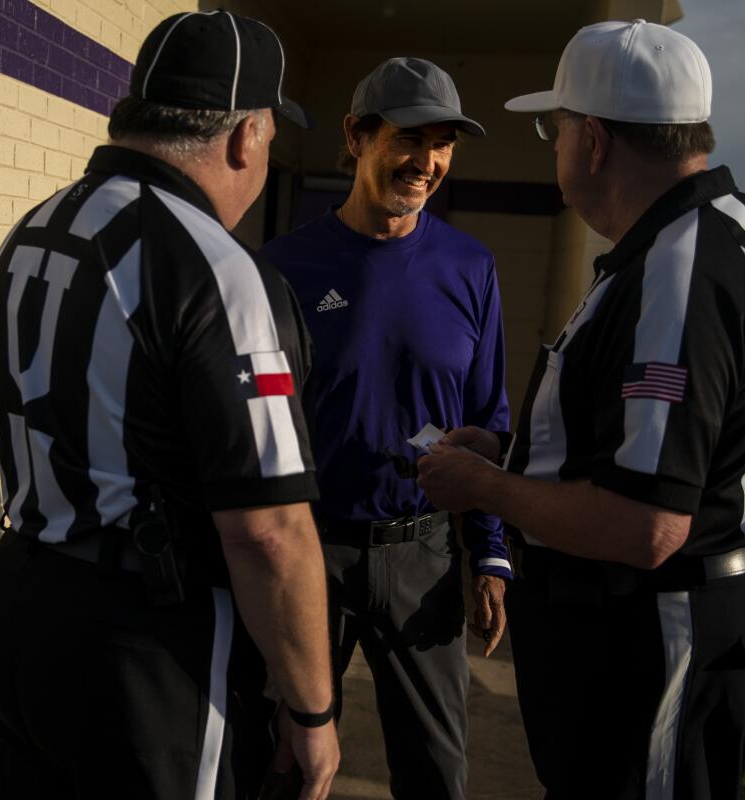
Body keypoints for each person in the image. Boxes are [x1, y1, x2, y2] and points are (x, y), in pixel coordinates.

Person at [416, 20, 745, 798]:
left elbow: (645, 523)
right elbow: (639, 450)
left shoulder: (680, 270)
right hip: (653, 637)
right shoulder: (683, 243)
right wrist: (513, 455)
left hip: (665, 641)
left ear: (592, 141)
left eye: (552, 130)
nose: (550, 149)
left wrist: (484, 490)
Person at [0, 10, 339, 800]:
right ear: (245, 136)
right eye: (272, 136)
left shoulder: (35, 227)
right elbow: (270, 529)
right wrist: (313, 709)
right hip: (143, 646)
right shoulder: (218, 267)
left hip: (18, 606)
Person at [262, 57, 511, 800]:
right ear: (357, 136)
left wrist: (490, 554)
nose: (428, 162)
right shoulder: (284, 268)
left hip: (422, 556)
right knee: (283, 766)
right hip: (311, 552)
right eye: (411, 138)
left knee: (438, 776)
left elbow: (486, 421)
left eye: (444, 144)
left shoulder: (470, 267)